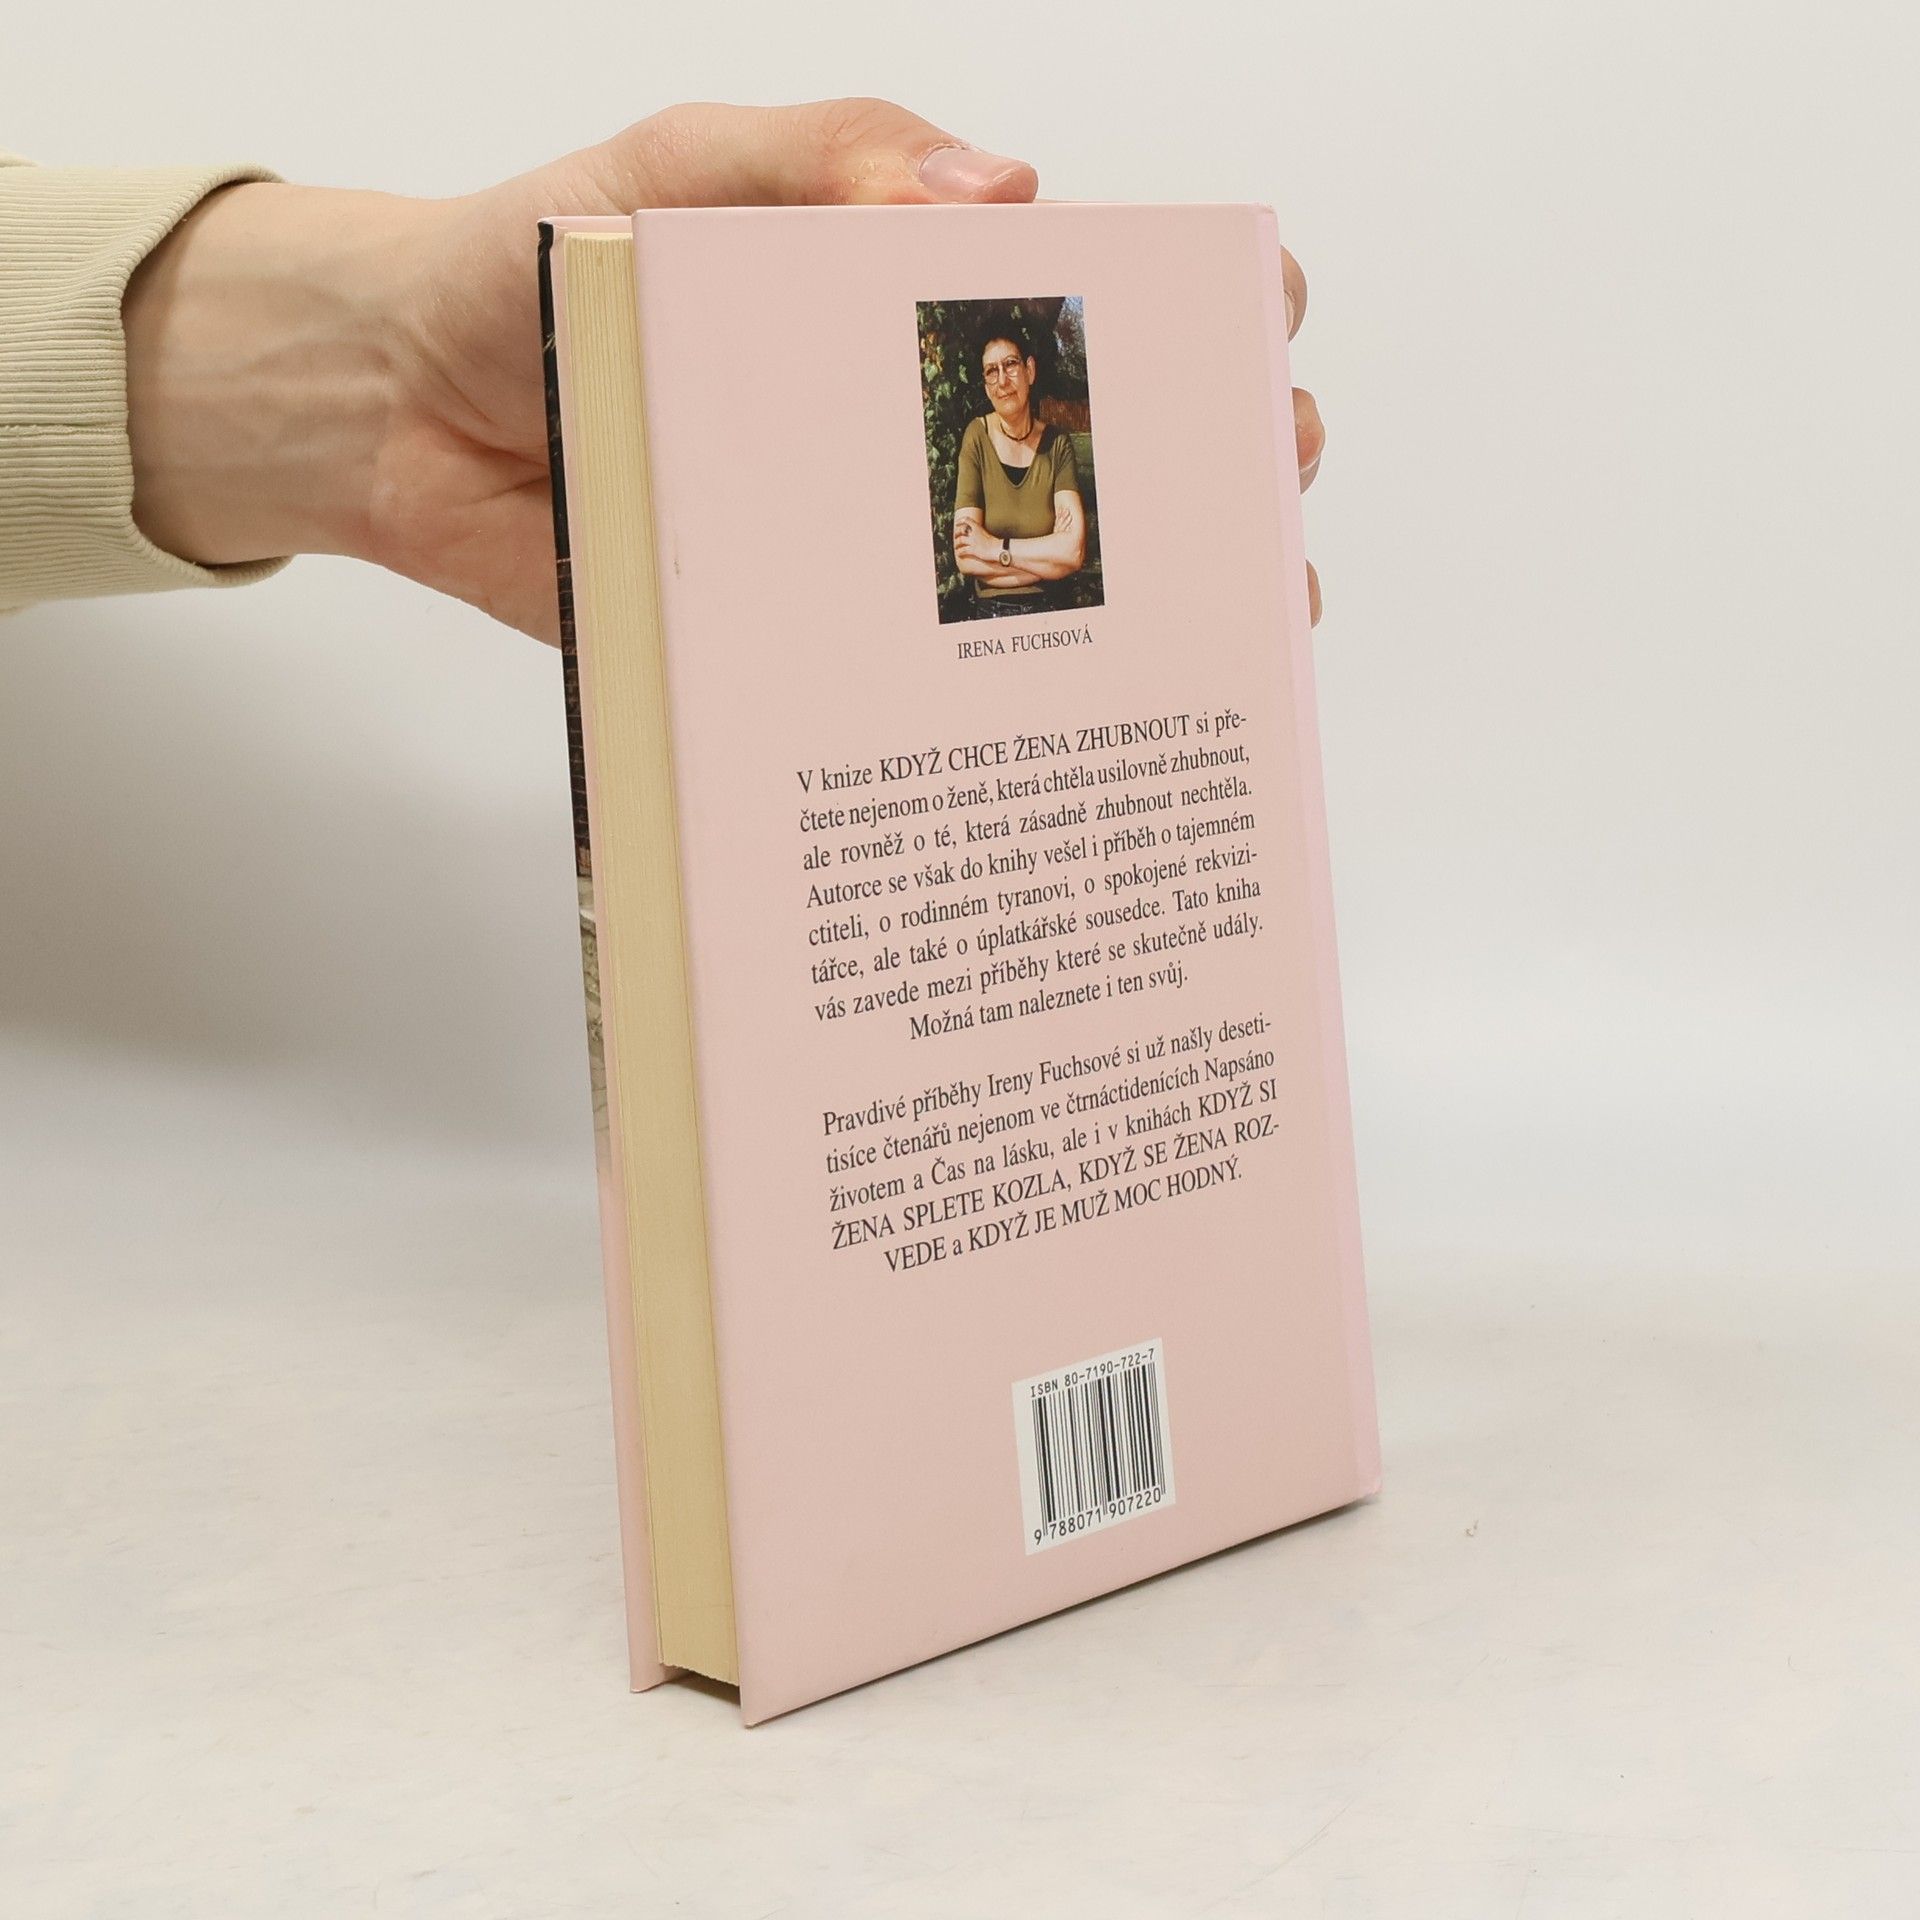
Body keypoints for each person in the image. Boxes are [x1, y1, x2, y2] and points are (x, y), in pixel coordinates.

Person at [0, 99, 1324, 637]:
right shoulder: (972, 444)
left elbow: (1026, 554)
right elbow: (983, 552)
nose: (1004, 386)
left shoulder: (1041, 444)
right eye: (988, 371)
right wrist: (396, 371)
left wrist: (395, 371)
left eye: (1014, 367)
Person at [952, 322, 1086, 613]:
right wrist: (1049, 563)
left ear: (1030, 371)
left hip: (1054, 609)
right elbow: (966, 557)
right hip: (992, 613)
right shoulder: (976, 437)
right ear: (986, 386)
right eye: (991, 371)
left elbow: (1073, 551)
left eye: (1011, 364)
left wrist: (993, 548)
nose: (1002, 380)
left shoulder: (1057, 444)